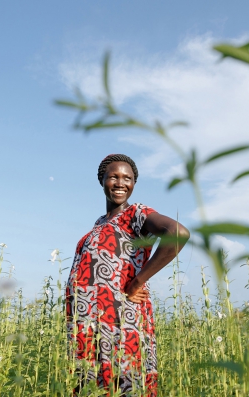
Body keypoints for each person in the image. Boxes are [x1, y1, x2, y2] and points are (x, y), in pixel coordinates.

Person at [66, 154, 190, 396]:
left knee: (124, 380)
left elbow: (177, 233)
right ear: (102, 180)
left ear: (134, 183)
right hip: (88, 322)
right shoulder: (100, 222)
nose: (121, 183)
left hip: (120, 318)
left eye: (128, 178)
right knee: (89, 384)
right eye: (113, 177)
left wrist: (137, 282)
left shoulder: (136, 214)